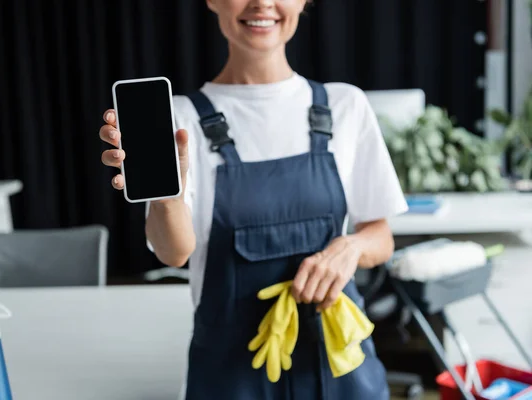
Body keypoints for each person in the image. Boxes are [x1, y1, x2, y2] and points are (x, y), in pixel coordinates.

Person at [100, 0, 408, 398]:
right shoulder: (180, 120)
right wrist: (166, 197)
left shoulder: (344, 106)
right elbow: (173, 253)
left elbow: (381, 237)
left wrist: (351, 247)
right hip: (231, 377)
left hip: (342, 371)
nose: (262, 3)